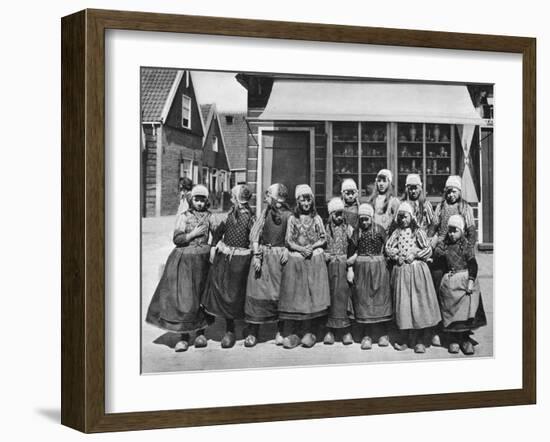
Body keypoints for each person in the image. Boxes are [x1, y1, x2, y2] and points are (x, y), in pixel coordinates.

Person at [145, 184, 212, 352]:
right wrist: (192, 234)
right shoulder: (184, 216)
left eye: (203, 200)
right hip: (185, 261)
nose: (199, 203)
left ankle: (200, 334)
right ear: (191, 200)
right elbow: (177, 238)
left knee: (201, 297)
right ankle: (184, 336)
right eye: (196, 200)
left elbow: (217, 233)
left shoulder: (210, 217)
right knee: (185, 298)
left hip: (203, 261)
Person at [202, 184, 255, 348]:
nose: (231, 199)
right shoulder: (230, 214)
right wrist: (213, 246)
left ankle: (247, 328)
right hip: (227, 257)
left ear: (239, 199)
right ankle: (229, 328)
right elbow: (218, 231)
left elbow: (254, 238)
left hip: (242, 260)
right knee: (224, 291)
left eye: (233, 196)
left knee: (238, 294)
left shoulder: (250, 218)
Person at [279, 184, 330, 349]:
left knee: (310, 295)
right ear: (298, 200)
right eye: (303, 199)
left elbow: (323, 238)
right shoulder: (293, 219)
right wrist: (301, 249)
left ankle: (309, 331)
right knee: (296, 295)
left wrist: (312, 247)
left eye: (309, 199)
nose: (306, 203)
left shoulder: (317, 219)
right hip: (297, 259)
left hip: (312, 258)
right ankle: (294, 332)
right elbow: (288, 240)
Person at [385, 202, 441, 353]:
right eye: (400, 217)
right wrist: (397, 255)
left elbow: (428, 249)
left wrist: (415, 254)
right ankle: (405, 338)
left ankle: (419, 340)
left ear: (411, 217)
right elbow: (388, 247)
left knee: (418, 305)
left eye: (406, 217)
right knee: (404, 306)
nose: (403, 220)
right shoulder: (396, 232)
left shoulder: (418, 232)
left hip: (417, 272)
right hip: (402, 273)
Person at [429, 175, 477, 346]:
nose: (450, 195)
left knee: (461, 291)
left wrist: (468, 250)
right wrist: (430, 242)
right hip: (442, 249)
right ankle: (440, 327)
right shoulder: (441, 206)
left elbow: (471, 231)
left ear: (459, 191)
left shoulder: (464, 207)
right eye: (448, 192)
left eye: (454, 191)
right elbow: (434, 226)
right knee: (439, 287)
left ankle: (462, 329)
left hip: (459, 249)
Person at [244, 183, 292, 347]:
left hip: (279, 259)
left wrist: (288, 248)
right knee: (256, 289)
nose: (265, 196)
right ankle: (253, 330)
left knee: (279, 294)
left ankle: (281, 330)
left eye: (268, 193)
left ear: (279, 198)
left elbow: (291, 238)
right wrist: (257, 255)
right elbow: (255, 235)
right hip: (263, 256)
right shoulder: (264, 213)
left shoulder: (289, 216)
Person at [433, 214, 487, 355]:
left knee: (466, 311)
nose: (451, 234)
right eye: (449, 230)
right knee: (451, 310)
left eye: (455, 230)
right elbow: (438, 255)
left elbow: (472, 265)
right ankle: (453, 339)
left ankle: (464, 339)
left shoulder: (466, 247)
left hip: (464, 282)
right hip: (451, 282)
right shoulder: (445, 245)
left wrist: (470, 281)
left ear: (461, 231)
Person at [349, 203, 392, 349]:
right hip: (362, 268)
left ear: (372, 218)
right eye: (362, 220)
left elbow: (388, 248)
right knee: (364, 299)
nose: (364, 223)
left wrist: (385, 262)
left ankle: (382, 334)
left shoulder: (379, 230)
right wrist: (350, 267)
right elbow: (351, 250)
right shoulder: (357, 232)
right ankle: (366, 335)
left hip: (378, 267)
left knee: (380, 299)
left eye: (367, 219)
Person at [323, 197, 355, 346]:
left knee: (343, 297)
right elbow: (320, 245)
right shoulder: (325, 229)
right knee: (330, 296)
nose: (339, 217)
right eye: (336, 214)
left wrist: (350, 267)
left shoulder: (348, 229)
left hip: (343, 265)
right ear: (330, 215)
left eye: (341, 214)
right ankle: (330, 330)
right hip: (329, 266)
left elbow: (353, 248)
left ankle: (345, 331)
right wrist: (324, 254)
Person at [368, 169, 400, 233]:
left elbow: (396, 221)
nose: (381, 184)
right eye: (379, 181)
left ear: (389, 183)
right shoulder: (372, 200)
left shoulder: (393, 201)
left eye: (384, 181)